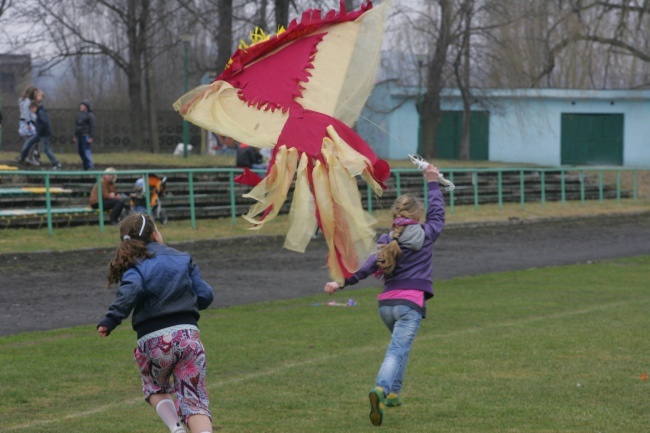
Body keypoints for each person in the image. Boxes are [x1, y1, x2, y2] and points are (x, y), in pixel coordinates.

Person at [323, 164, 445, 427]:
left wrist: (341, 283)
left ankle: (392, 394)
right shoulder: (426, 234)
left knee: (401, 349)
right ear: (417, 215)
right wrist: (433, 182)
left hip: (386, 306)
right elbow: (438, 214)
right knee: (396, 350)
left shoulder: (387, 239)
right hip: (410, 305)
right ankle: (380, 388)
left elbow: (367, 267)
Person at [97, 213, 215, 433]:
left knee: (154, 386)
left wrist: (111, 319)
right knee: (194, 400)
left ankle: (176, 427)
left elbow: (129, 293)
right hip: (188, 338)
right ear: (154, 234)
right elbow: (205, 295)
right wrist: (186, 304)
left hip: (153, 342)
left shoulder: (135, 266)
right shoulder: (182, 257)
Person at [19, 89, 62, 170]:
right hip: (40, 133)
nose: (31, 112)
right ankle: (22, 158)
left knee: (45, 149)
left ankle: (56, 164)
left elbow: (45, 123)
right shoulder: (40, 112)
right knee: (29, 142)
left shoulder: (40, 113)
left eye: (31, 110)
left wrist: (40, 130)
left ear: (34, 107)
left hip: (44, 134)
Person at [17, 86, 41, 166]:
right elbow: (26, 112)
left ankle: (28, 156)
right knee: (32, 140)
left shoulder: (21, 100)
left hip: (23, 121)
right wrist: (29, 123)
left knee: (28, 141)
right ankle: (30, 157)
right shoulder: (27, 101)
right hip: (27, 122)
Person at [74, 99, 96, 170]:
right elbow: (77, 126)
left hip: (86, 135)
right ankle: (86, 166)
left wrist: (91, 136)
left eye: (83, 105)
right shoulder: (79, 115)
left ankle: (90, 166)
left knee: (86, 151)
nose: (81, 106)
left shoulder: (90, 115)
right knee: (81, 152)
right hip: (80, 135)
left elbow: (93, 126)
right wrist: (75, 135)